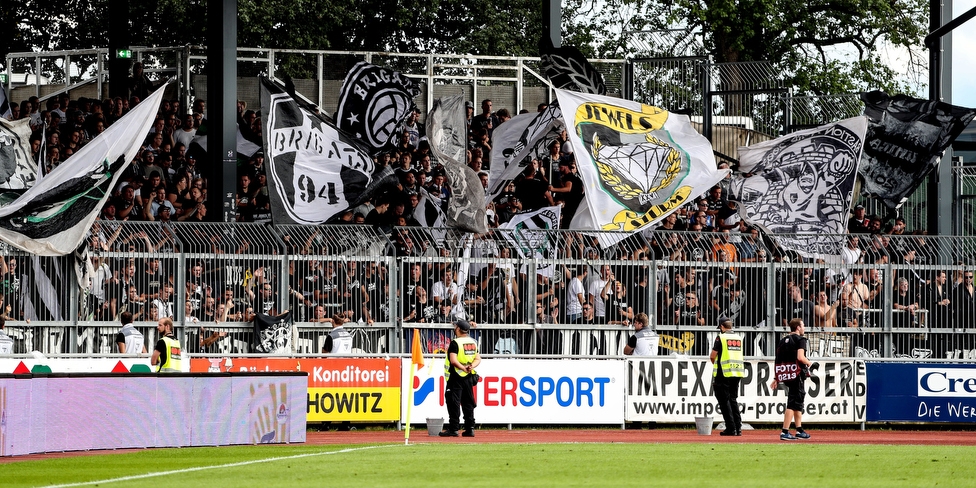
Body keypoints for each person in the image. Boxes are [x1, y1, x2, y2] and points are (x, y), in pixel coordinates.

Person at [771, 318, 813, 440]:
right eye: (803, 325)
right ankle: (785, 431)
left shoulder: (782, 341)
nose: (804, 328)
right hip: (797, 373)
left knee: (797, 401)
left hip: (786, 374)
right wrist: (811, 364)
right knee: (793, 401)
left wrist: (776, 377)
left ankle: (799, 429)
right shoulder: (801, 340)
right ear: (798, 327)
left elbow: (778, 360)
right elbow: (800, 357)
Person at [439, 319, 481, 438]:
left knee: (454, 403)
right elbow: (478, 358)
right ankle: (470, 429)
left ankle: (453, 429)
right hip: (468, 376)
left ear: (457, 329)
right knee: (468, 403)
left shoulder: (455, 343)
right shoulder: (473, 342)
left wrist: (462, 368)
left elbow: (453, 360)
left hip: (456, 377)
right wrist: (470, 367)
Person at [710, 317, 744, 436]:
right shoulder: (738, 338)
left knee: (724, 402)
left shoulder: (721, 337)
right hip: (737, 372)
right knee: (733, 400)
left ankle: (731, 428)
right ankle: (738, 427)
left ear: (721, 326)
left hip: (723, 373)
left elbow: (713, 356)